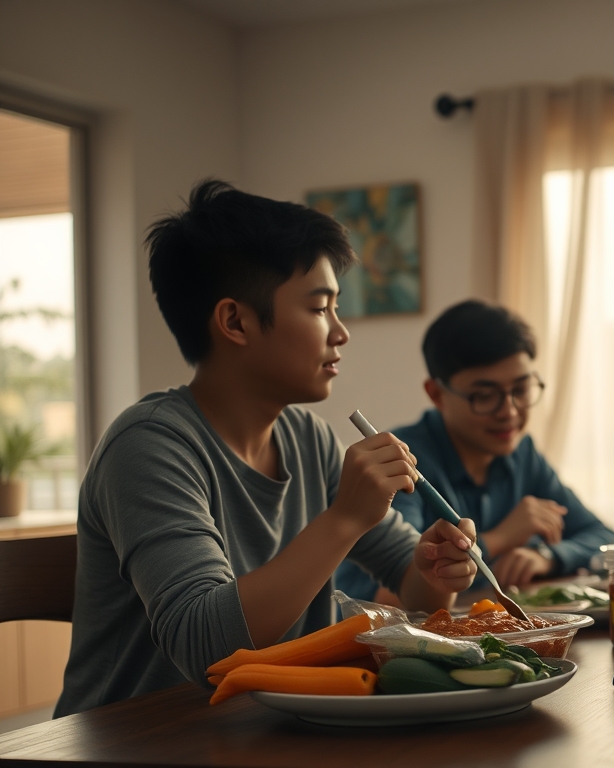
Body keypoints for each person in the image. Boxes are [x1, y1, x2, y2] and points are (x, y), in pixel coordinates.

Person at [55, 181, 477, 716]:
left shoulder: (310, 439)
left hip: (267, 728)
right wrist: (344, 518)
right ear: (235, 321)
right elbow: (208, 648)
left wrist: (440, 568)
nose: (341, 332)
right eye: (320, 308)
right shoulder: (148, 446)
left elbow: (415, 591)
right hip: (143, 738)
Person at [336, 300, 614, 598]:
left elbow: (604, 538)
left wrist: (547, 556)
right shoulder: (400, 461)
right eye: (484, 396)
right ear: (437, 394)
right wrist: (498, 539)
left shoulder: (523, 455)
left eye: (521, 390)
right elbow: (382, 595)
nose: (508, 411)